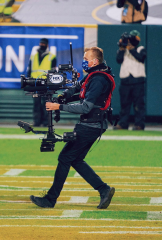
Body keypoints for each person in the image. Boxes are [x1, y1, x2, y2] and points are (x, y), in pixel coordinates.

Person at [30, 46, 116, 209]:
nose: (83, 62)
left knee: (65, 158)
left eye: (86, 59)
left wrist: (59, 107)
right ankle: (103, 189)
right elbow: (77, 88)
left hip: (91, 124)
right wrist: (63, 97)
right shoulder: (95, 74)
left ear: (95, 61)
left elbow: (86, 107)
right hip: (92, 124)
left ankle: (50, 199)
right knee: (75, 159)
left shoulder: (98, 79)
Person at [114, 30, 146, 130]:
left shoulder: (141, 49)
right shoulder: (123, 50)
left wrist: (131, 49)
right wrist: (122, 48)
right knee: (124, 104)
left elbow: (141, 58)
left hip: (138, 81)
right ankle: (123, 124)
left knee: (139, 104)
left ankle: (139, 124)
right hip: (125, 81)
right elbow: (118, 60)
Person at [27, 38, 56, 127]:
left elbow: (53, 71)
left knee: (46, 103)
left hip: (46, 83)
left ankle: (46, 122)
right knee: (37, 104)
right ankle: (37, 122)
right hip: (35, 83)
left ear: (47, 45)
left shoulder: (52, 56)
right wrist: (29, 81)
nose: (42, 45)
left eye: (44, 43)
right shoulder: (34, 56)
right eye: (41, 43)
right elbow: (30, 69)